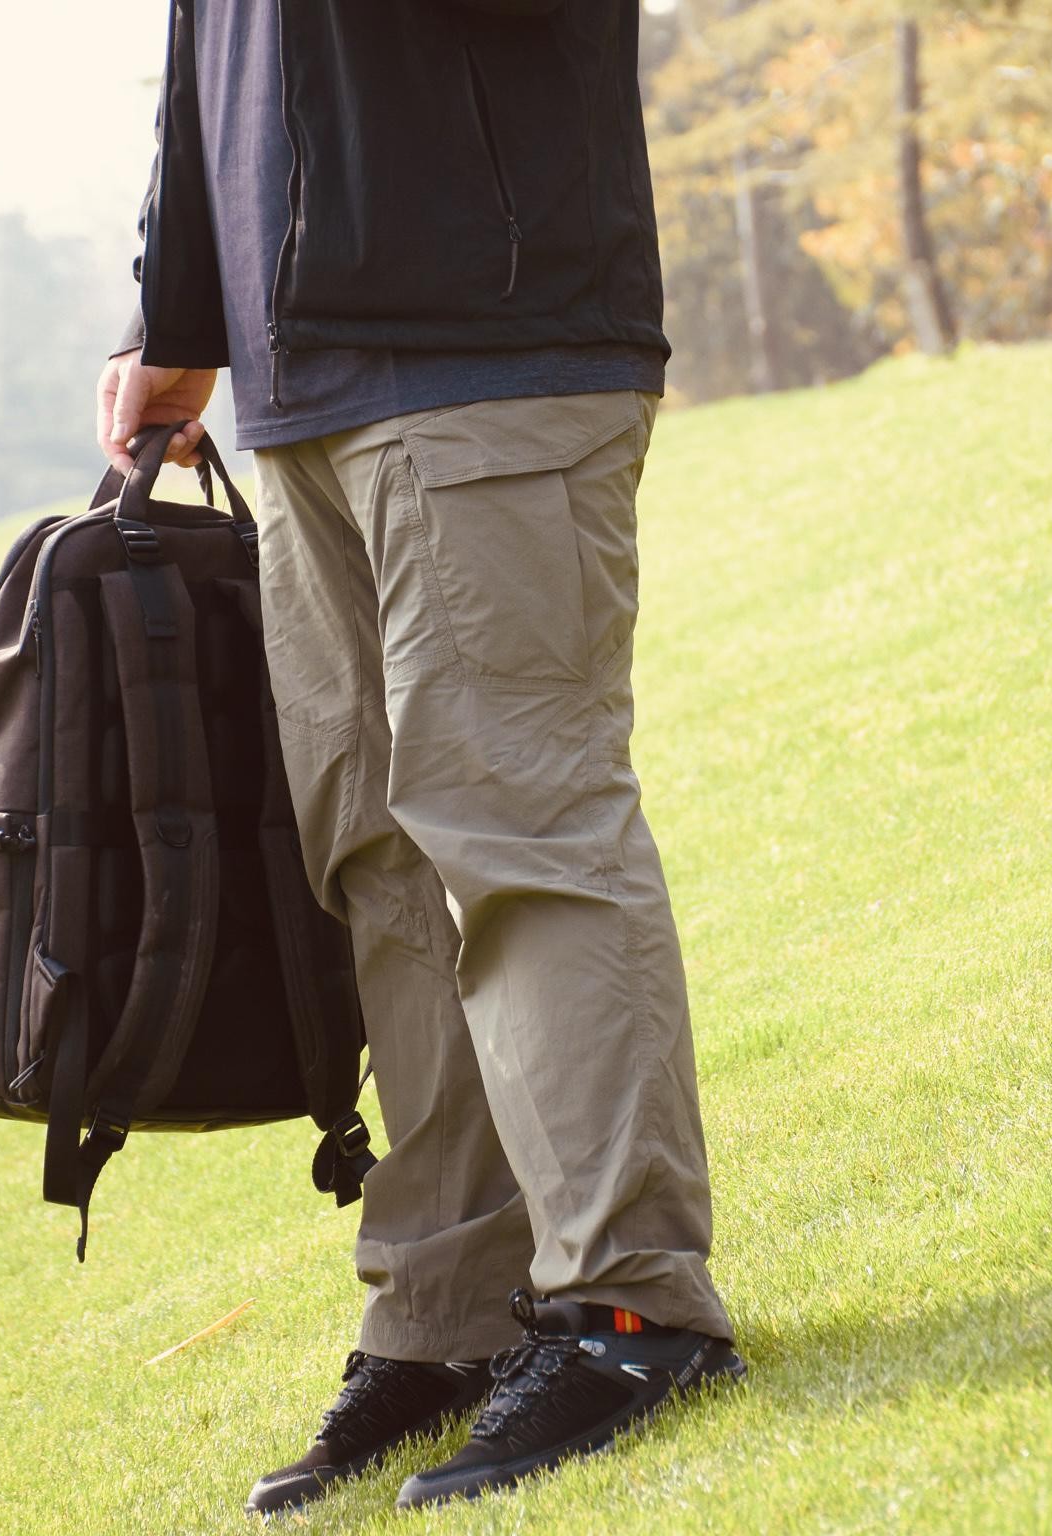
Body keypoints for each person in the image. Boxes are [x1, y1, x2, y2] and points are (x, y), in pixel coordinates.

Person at [92, 0, 742, 1514]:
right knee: (375, 858)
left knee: (520, 834)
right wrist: (173, 321)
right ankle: (452, 1318)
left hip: (492, 345)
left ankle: (633, 1308)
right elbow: (215, 47)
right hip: (301, 382)